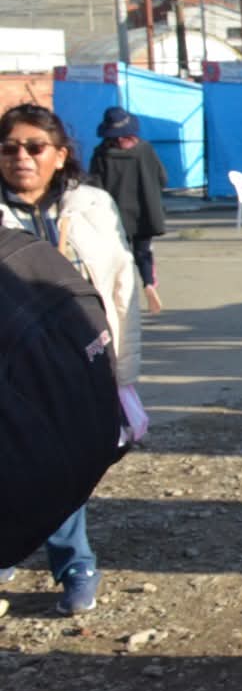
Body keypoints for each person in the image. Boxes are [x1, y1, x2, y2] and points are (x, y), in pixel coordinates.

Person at [0, 104, 143, 616]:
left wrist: (122, 373)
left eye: (35, 147)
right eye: (10, 147)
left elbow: (120, 287)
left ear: (59, 155)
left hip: (82, 359)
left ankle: (74, 563)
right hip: (12, 366)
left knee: (67, 462)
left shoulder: (92, 207)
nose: (22, 157)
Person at [88, 107, 167, 314]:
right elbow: (162, 178)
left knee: (117, 256)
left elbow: (94, 186)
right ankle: (149, 283)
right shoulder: (145, 150)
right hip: (144, 211)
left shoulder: (102, 154)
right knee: (143, 252)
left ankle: (121, 295)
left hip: (112, 214)